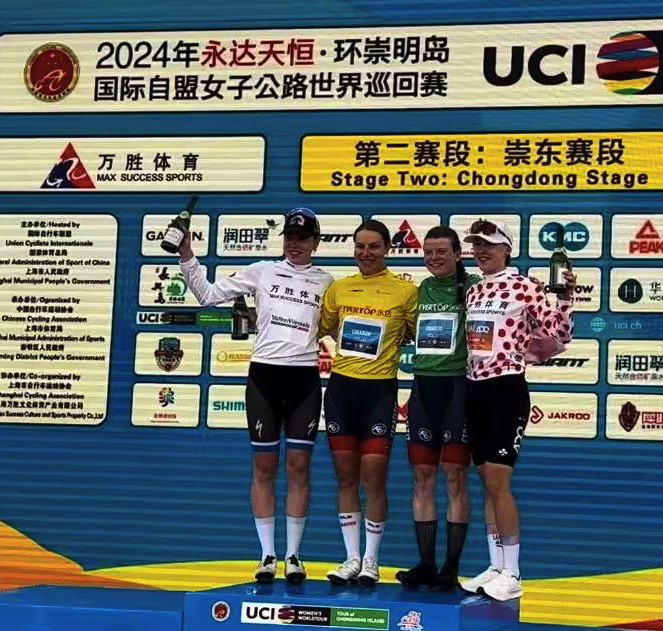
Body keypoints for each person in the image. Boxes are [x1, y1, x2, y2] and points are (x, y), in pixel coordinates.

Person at [178, 208, 334, 584]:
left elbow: (347, 325)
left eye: (302, 238)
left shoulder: (327, 281)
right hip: (265, 377)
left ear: (315, 242)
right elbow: (207, 295)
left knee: (299, 467)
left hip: (304, 380)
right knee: (263, 468)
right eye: (289, 237)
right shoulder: (262, 270)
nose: (294, 244)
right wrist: (186, 255)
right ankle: (266, 555)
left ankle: (293, 555)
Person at [459, 219, 575, 602]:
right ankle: (496, 566)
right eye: (476, 244)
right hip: (475, 389)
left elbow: (557, 334)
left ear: (507, 249)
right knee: (486, 484)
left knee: (498, 483)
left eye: (489, 244)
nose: (481, 251)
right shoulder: (474, 291)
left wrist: (566, 298)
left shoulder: (525, 285)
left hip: (506, 389)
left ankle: (513, 572)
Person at [319, 220, 418, 586]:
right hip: (341, 390)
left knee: (373, 478)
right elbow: (322, 327)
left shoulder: (405, 291)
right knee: (346, 477)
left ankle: (372, 560)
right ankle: (351, 558)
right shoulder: (339, 288)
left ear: (388, 249)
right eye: (360, 246)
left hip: (380, 392)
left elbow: (416, 334)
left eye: (374, 246)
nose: (366, 253)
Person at [395, 226, 480, 590]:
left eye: (442, 251)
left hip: (457, 388)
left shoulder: (474, 287)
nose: (434, 258)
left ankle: (451, 567)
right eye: (428, 252)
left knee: (455, 477)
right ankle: (426, 564)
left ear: (458, 254)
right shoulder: (419, 290)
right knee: (422, 478)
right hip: (423, 389)